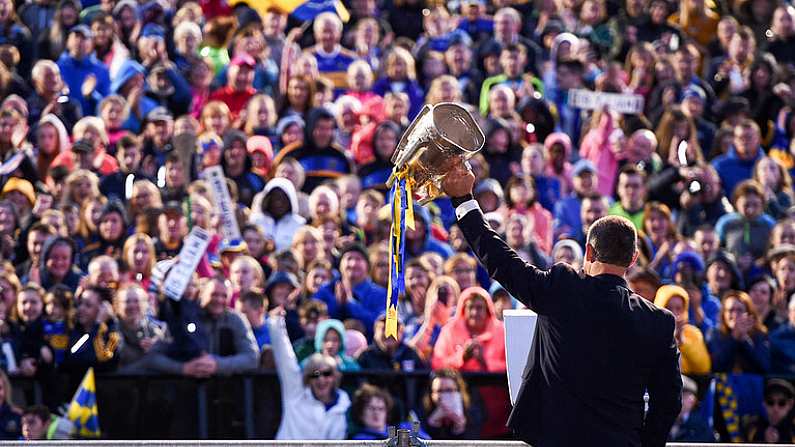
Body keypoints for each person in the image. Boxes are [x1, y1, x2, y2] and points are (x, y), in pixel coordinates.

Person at [440, 161, 682, 445]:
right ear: (632, 259)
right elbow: (668, 402)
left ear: (589, 250)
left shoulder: (562, 288)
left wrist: (463, 200)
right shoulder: (658, 321)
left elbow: (500, 260)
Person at [267, 305, 351, 440]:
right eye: (315, 374)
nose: (321, 379)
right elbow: (285, 359)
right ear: (308, 378)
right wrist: (276, 323)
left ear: (335, 377)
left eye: (327, 374)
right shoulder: (295, 394)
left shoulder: (343, 405)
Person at [747, 379, 795, 443]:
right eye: (770, 402)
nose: (775, 408)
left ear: (790, 404)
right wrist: (763, 438)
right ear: (764, 403)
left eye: (781, 403)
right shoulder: (753, 425)